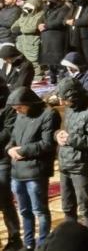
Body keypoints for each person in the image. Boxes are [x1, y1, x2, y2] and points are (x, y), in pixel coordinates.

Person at [7, 86, 59, 250]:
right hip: (17, 171)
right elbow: (13, 138)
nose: (18, 111)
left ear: (29, 103)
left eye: (20, 107)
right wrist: (9, 149)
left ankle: (42, 244)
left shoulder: (48, 114)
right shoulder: (20, 115)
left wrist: (22, 150)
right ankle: (29, 243)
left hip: (36, 171)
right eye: (15, 109)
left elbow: (47, 143)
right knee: (24, 210)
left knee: (39, 210)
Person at [55, 77, 88, 228]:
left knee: (84, 207)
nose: (62, 104)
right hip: (65, 163)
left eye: (64, 100)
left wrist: (71, 139)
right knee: (67, 206)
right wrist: (58, 135)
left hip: (82, 166)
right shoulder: (70, 109)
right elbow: (64, 131)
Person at [0, 78, 21, 250]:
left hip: (2, 159)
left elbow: (8, 131)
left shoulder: (8, 105)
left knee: (5, 198)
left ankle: (15, 237)